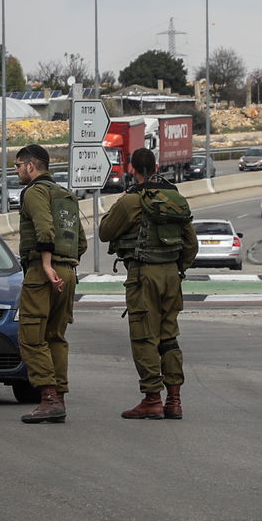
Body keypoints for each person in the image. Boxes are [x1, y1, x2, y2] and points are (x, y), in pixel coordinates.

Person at [98, 147, 196, 420]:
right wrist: (177, 268)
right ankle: (174, 400)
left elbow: (105, 232)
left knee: (144, 336)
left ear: (133, 170)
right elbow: (191, 245)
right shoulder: (175, 197)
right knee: (169, 337)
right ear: (155, 167)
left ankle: (152, 398)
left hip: (144, 275)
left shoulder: (132, 201)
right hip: (171, 277)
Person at [14, 144, 88, 423]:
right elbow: (80, 240)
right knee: (56, 337)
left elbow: (44, 227)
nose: (18, 171)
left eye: (19, 166)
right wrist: (64, 264)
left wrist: (46, 264)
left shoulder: (35, 192)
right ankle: (59, 397)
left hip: (42, 272)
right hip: (68, 271)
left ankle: (48, 398)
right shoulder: (66, 195)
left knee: (32, 337)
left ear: (31, 166)